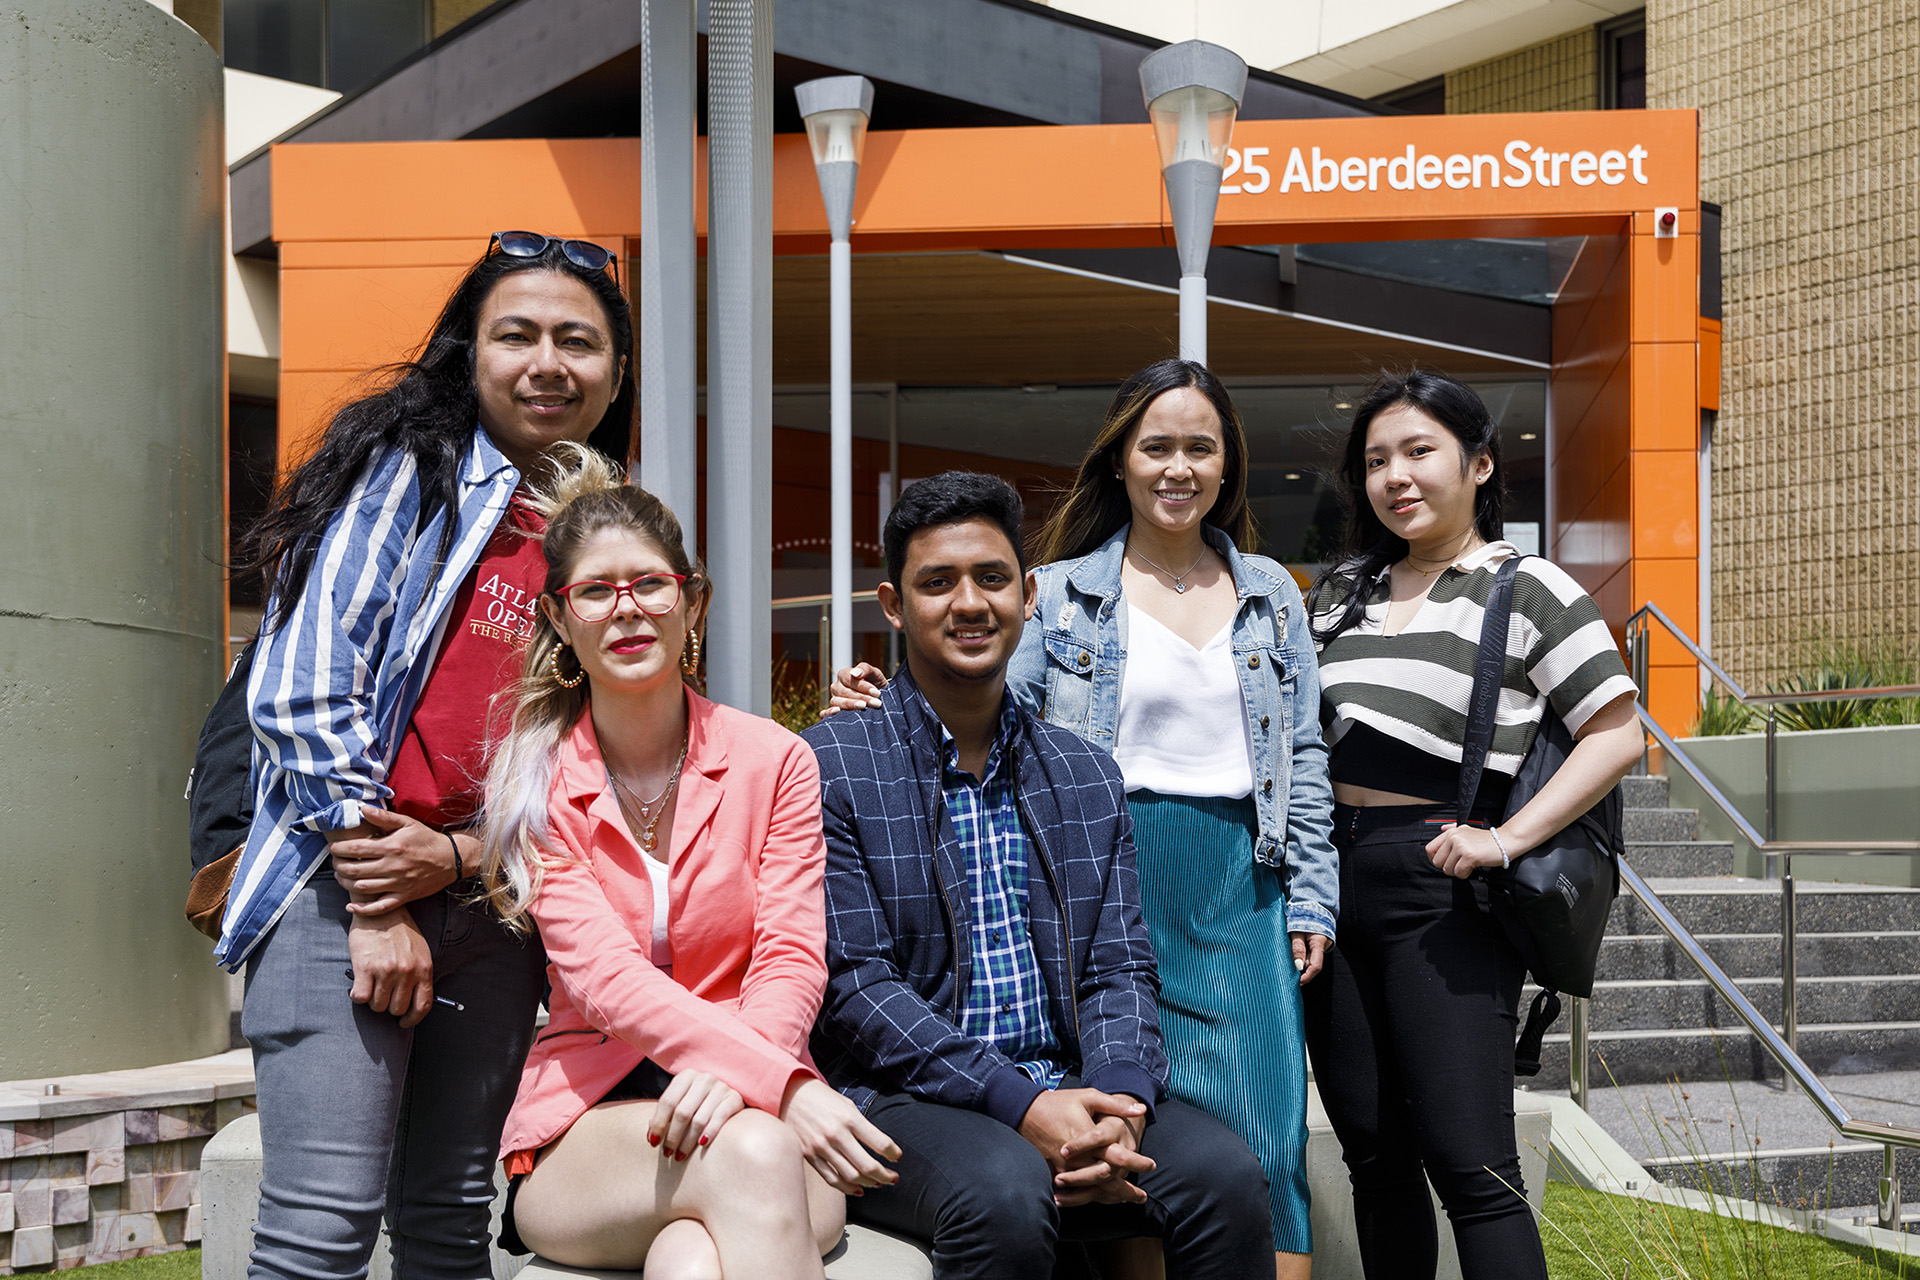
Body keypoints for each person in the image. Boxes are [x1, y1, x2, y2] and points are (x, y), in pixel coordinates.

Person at [830, 360, 1336, 1277]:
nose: (971, 602)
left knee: (1244, 1165)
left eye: (992, 579)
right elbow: (855, 982)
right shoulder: (846, 760)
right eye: (939, 583)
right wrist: (865, 713)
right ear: (894, 607)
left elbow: (1298, 753)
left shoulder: (1256, 602)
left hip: (1230, 885)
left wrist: (1119, 1097)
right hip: (957, 1053)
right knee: (1025, 1192)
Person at [215, 231, 634, 1280]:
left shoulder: (593, 519)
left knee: (450, 1224)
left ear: (616, 369)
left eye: (577, 341)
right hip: (338, 887)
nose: (548, 362)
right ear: (470, 351)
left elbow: (586, 746)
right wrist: (379, 901)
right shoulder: (412, 472)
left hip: (490, 899)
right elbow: (302, 687)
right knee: (320, 1234)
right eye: (517, 335)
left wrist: (457, 863)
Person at [481, 449, 900, 1280]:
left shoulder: (774, 760)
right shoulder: (535, 784)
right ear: (561, 622)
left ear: (691, 602)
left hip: (753, 1106)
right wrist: (777, 1087)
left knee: (690, 1261)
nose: (626, 610)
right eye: (596, 592)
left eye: (650, 585)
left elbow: (790, 954)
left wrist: (743, 1075)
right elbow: (606, 982)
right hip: (591, 1131)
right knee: (748, 1157)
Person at [1301, 369, 1643, 1280]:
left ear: (1481, 464)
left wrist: (1506, 838)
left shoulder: (1528, 588)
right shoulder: (1341, 594)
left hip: (1444, 888)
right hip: (1333, 886)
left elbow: (1618, 735)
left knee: (1473, 1165)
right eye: (1377, 460)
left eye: (1420, 452)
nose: (1396, 477)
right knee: (1372, 1156)